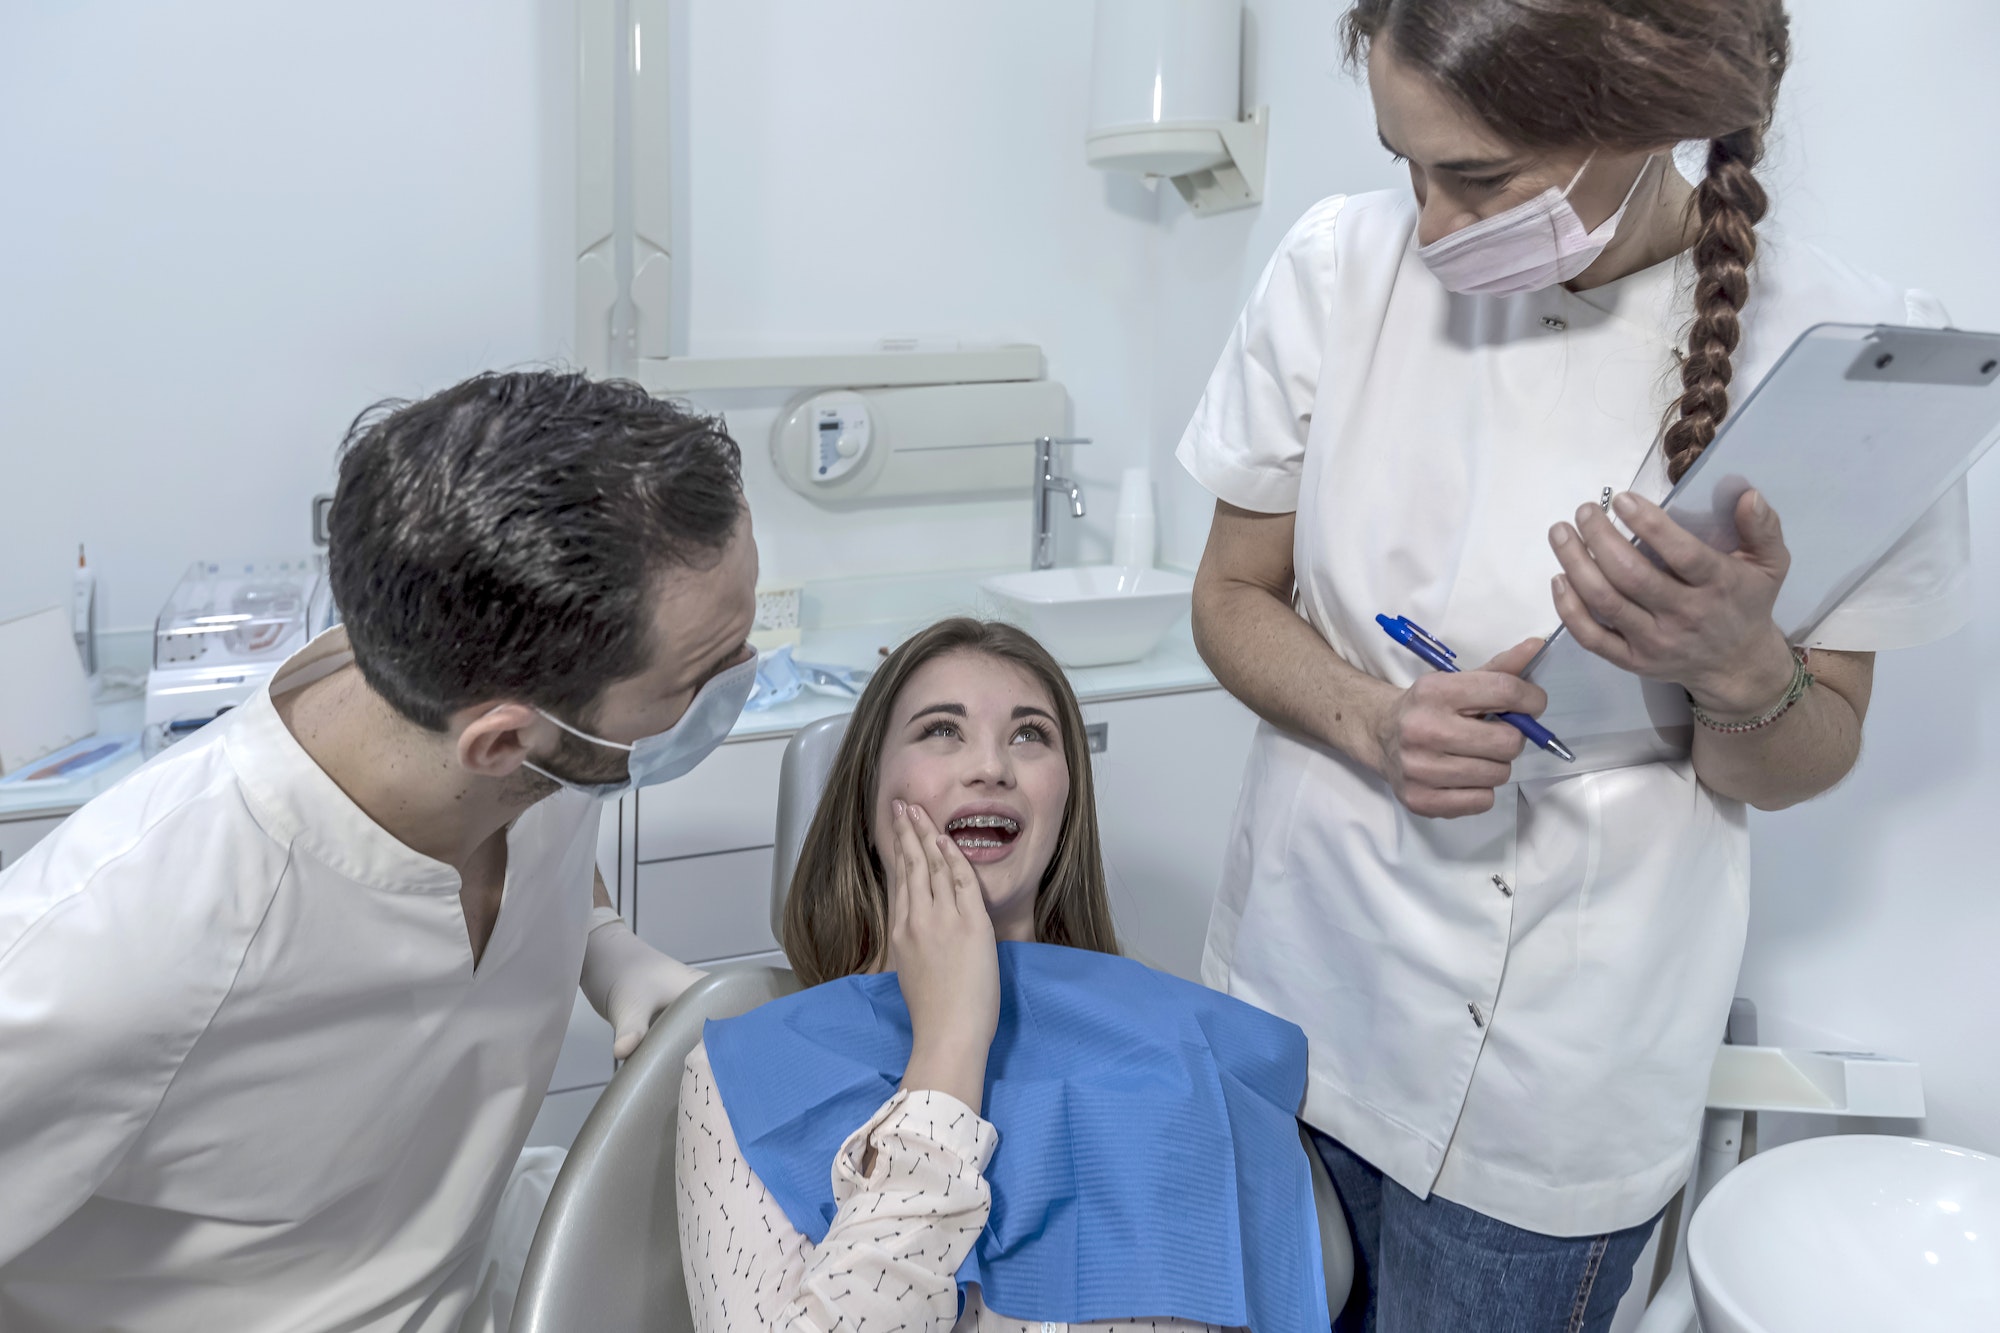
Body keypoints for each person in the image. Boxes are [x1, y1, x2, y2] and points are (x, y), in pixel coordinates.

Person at [1177, 3, 1972, 1330]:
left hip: (1557, 1088)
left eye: (1479, 178)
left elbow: (1805, 752)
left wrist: (1735, 665)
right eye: (1405, 163)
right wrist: (1373, 722)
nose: (1429, 225)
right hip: (1298, 997)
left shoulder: (1844, 352)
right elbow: (1228, 593)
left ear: (1654, 124)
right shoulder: (1334, 270)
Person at [0, 372, 760, 1332]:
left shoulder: (509, 715)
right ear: (500, 742)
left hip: (472, 1278)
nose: (746, 679)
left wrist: (602, 939)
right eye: (707, 674)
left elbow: (546, 834)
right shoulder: (114, 947)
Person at [676, 619, 1328, 1333]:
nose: (990, 766)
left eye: (1030, 735)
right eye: (940, 730)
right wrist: (949, 1044)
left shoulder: (1179, 1048)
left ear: (1065, 805)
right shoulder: (740, 1073)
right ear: (867, 799)